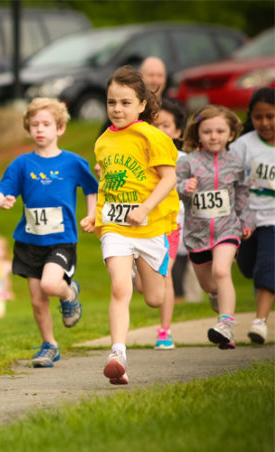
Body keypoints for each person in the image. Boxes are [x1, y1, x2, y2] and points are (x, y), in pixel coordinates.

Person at [0, 97, 98, 367]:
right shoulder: (21, 164)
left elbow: (92, 188)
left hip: (61, 241)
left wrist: (92, 214)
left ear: (60, 128)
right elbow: (2, 191)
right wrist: (3, 200)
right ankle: (49, 344)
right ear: (28, 129)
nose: (40, 129)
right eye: (35, 125)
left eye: (46, 124)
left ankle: (68, 293)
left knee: (50, 285)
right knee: (37, 300)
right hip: (30, 241)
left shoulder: (73, 163)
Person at [93, 66, 180, 385]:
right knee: (119, 286)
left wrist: (144, 208)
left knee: (154, 298)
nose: (117, 109)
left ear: (142, 104)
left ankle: (138, 268)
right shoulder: (103, 142)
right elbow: (107, 185)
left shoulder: (153, 137)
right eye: (111, 102)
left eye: (126, 103)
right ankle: (117, 354)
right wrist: (95, 215)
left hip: (151, 227)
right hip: (116, 227)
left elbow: (169, 178)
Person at [177, 105, 252, 349]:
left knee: (222, 271)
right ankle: (217, 301)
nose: (213, 136)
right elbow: (173, 188)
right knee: (210, 285)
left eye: (220, 131)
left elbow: (242, 193)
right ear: (198, 134)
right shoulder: (189, 162)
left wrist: (246, 221)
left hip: (227, 229)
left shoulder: (236, 163)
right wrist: (184, 187)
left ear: (231, 134)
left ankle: (226, 324)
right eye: (207, 131)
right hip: (196, 234)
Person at [232, 87, 275, 344]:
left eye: (270, 116)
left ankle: (260, 322)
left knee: (266, 266)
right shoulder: (243, 146)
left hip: (273, 220)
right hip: (247, 219)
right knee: (248, 268)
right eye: (259, 117)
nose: (265, 123)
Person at [147, 98, 189, 350]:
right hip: (141, 226)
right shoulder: (141, 154)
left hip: (171, 225)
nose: (160, 130)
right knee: (145, 286)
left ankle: (165, 331)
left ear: (177, 132)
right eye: (155, 125)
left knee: (165, 276)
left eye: (166, 126)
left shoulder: (183, 160)